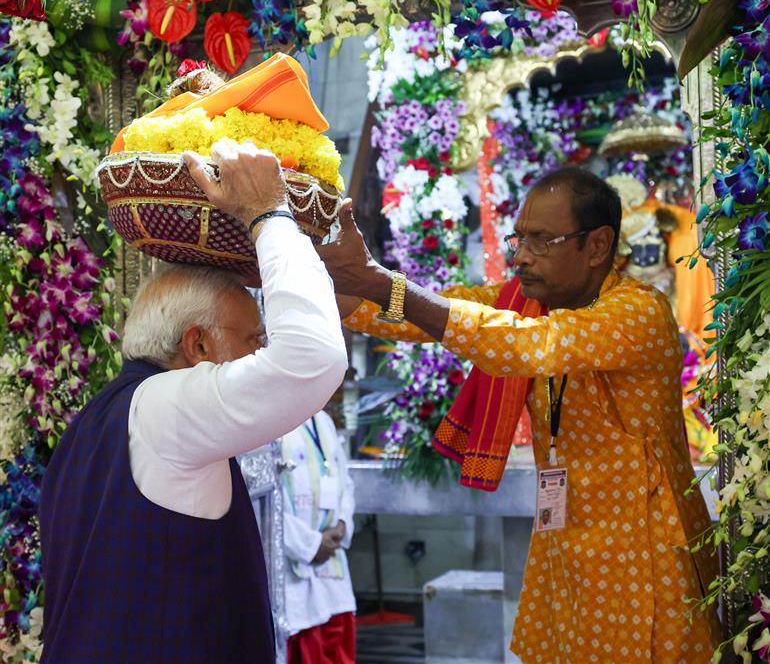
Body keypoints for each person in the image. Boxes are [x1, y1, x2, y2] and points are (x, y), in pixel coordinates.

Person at [318, 167, 720, 664]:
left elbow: (521, 344)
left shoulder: (639, 313)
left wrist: (380, 282)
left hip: (642, 557)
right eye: (520, 239)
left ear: (597, 247)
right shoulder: (531, 304)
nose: (522, 257)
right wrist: (327, 281)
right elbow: (445, 311)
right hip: (565, 549)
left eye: (542, 241)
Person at [38, 142, 348, 664]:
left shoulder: (106, 416)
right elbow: (313, 358)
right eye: (255, 339)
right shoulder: (166, 405)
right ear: (198, 344)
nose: (262, 354)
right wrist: (268, 216)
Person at [281, 410, 356, 664]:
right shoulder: (269, 417)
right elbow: (262, 503)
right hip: (292, 570)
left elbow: (346, 481)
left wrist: (342, 523)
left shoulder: (322, 420)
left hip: (332, 570)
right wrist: (312, 544)